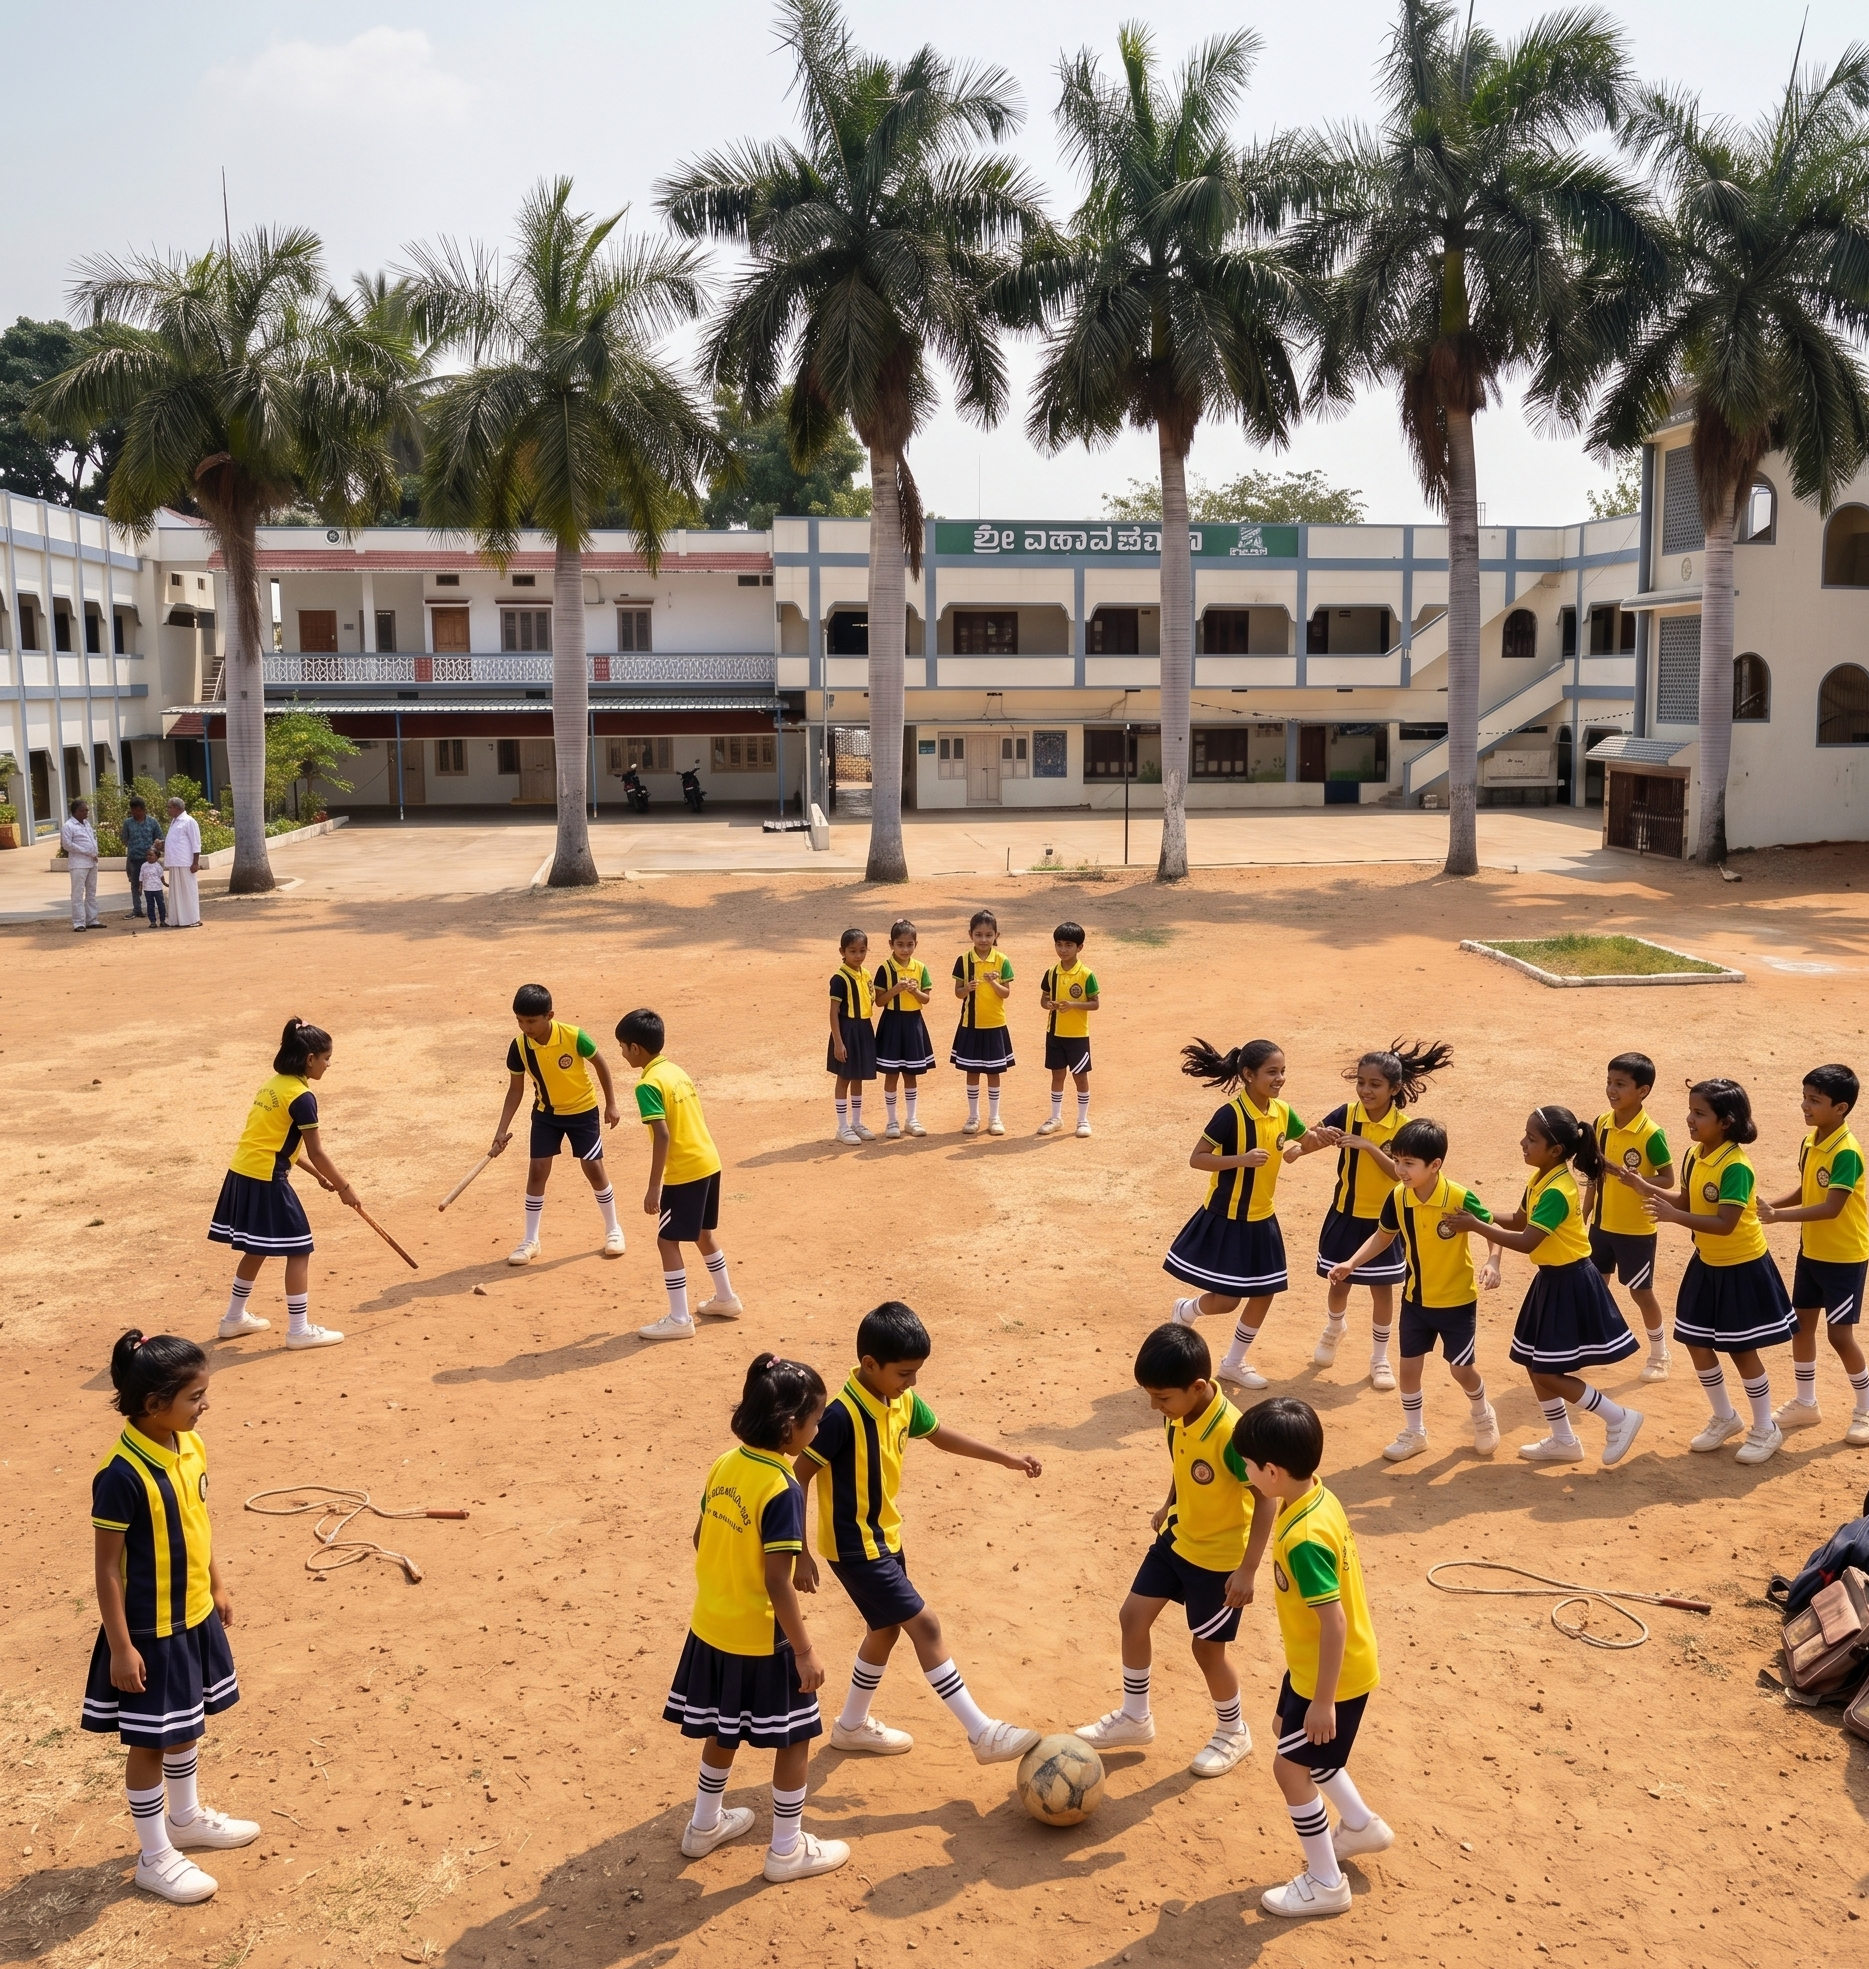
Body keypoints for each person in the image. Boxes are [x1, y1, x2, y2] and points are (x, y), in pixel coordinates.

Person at [793, 1299, 1042, 1765]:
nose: (912, 1382)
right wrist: (799, 1551)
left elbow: (939, 1434)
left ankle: (851, 1726)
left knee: (885, 1629)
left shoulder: (902, 1400)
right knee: (924, 1625)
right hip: (854, 1546)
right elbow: (799, 1476)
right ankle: (981, 1732)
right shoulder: (840, 1417)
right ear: (870, 1364)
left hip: (886, 1537)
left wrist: (1007, 1458)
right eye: (905, 1373)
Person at [84, 1330, 260, 1904]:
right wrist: (121, 1647)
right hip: (149, 1633)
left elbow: (196, 1519)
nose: (205, 1405)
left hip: (194, 1615)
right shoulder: (120, 1476)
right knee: (151, 1744)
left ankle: (184, 1819)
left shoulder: (190, 1444)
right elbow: (107, 1569)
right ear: (154, 1403)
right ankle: (154, 1856)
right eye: (195, 1396)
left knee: (185, 1725)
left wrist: (217, 1583)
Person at [662, 1353, 849, 1883]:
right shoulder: (783, 1487)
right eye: (816, 1421)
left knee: (722, 1727)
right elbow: (776, 1581)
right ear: (790, 1427)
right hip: (764, 1638)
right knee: (796, 1736)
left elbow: (700, 1537)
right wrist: (805, 1651)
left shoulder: (725, 1463)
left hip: (712, 1625)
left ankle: (703, 1825)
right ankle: (786, 1850)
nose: (818, 1431)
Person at [1076, 1322, 1271, 1778]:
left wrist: (1247, 1571)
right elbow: (1182, 1464)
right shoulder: (1178, 1415)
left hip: (1217, 1563)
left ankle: (1234, 1731)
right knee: (1132, 1617)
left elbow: (1265, 1500)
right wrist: (1170, 1503)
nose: (1154, 1406)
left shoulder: (1232, 1435)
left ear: (1198, 1387)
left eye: (1161, 1397)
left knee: (1207, 1651)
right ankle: (1135, 1717)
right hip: (1177, 1539)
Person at [1234, 1396, 1389, 1921]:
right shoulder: (1317, 1496)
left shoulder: (1303, 1539)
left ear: (1272, 1472)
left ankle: (1326, 1882)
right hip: (1310, 1667)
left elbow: (1333, 1622)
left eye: (1248, 1466)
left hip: (1333, 1678)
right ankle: (1360, 1823)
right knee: (1286, 1730)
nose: (1245, 1474)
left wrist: (1323, 1703)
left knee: (1289, 1770)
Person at [1619, 1077, 1796, 1464]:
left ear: (1726, 1122)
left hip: (1742, 1268)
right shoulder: (1694, 1155)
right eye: (1690, 1111)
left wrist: (1673, 1216)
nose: (1690, 1119)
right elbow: (1686, 1199)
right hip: (1707, 1263)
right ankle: (1725, 1417)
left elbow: (1725, 1222)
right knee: (1696, 1341)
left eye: (1699, 1113)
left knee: (1741, 1350)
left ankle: (1765, 1427)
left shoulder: (1736, 1166)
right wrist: (1646, 1187)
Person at [1461, 1107, 1644, 1465]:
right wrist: (1477, 1211)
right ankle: (1563, 1440)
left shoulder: (1558, 1190)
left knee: (1547, 1370)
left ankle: (1619, 1417)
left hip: (1571, 1283)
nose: (1523, 1143)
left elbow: (1527, 1240)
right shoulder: (1541, 1178)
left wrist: (1475, 1225)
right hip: (1552, 1279)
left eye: (1532, 1139)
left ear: (1556, 1150)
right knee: (1534, 1362)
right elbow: (1519, 1220)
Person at [1329, 1117, 1501, 1463]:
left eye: (1408, 1163)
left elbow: (1491, 1226)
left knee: (1461, 1371)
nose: (1400, 1170)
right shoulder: (1397, 1198)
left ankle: (1483, 1414)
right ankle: (1415, 1432)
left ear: (1434, 1165)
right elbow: (1383, 1236)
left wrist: (1493, 1261)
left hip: (1457, 1302)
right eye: (1397, 1160)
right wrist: (1352, 1263)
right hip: (1416, 1300)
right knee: (1408, 1370)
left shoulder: (1458, 1197)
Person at [1289, 1041, 1453, 1388]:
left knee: (1382, 1290)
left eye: (1375, 1084)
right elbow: (1312, 1138)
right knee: (1339, 1282)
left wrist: (1367, 1146)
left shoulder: (1404, 1128)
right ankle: (1334, 1328)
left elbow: (1398, 1174)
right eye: (1361, 1082)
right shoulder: (1347, 1114)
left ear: (1394, 1088)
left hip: (1386, 1223)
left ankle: (1379, 1358)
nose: (1365, 1090)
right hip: (1345, 1215)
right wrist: (1300, 1149)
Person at [1165, 1038, 1322, 1390]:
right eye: (1272, 1072)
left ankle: (1233, 1363)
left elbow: (1306, 1141)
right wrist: (1241, 1160)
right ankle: (1187, 1310)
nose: (1280, 1078)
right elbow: (1197, 1158)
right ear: (1249, 1075)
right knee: (1227, 1301)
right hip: (1229, 1218)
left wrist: (1320, 1139)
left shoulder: (1283, 1112)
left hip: (1263, 1218)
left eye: (1283, 1071)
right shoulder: (1230, 1115)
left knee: (1264, 1293)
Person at [209, 1018, 356, 1350]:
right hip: (266, 1178)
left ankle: (233, 1318)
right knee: (300, 1248)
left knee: (257, 1246)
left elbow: (275, 1141)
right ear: (310, 1059)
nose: (328, 1065)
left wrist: (318, 1175)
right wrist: (345, 1188)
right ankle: (299, 1331)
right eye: (326, 1058)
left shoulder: (272, 1085)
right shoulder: (302, 1096)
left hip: (242, 1171)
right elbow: (317, 1151)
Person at [1760, 1063, 1869, 1445]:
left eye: (1815, 1100)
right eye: (1804, 1097)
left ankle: (1865, 1410)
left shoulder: (1847, 1152)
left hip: (1844, 1257)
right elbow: (1807, 1190)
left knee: (1840, 1336)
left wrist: (1777, 1217)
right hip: (1812, 1253)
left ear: (1840, 1108)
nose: (1805, 1106)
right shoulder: (1811, 1142)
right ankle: (1806, 1402)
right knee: (1801, 1327)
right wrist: (1764, 1207)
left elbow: (1832, 1207)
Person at [616, 1007, 741, 1341]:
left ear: (636, 1048)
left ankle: (679, 1319)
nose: (622, 1053)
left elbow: (662, 1135)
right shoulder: (675, 1071)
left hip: (684, 1171)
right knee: (702, 1233)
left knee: (666, 1240)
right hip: (708, 1161)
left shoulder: (647, 1085)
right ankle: (726, 1298)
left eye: (622, 1047)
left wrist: (653, 1186)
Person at [489, 983, 625, 1267]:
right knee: (537, 1171)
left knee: (594, 1169)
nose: (525, 1027)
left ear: (549, 1015)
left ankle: (613, 1229)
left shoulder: (574, 1036)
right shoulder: (519, 1047)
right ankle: (530, 1240)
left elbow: (600, 1064)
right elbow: (515, 1089)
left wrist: (611, 1104)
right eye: (520, 1021)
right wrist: (501, 1130)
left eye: (531, 1021)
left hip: (583, 1111)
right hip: (546, 1115)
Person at [1585, 1053, 1675, 1381]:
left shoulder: (1651, 1133)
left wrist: (1638, 1181)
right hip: (1601, 1226)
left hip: (1636, 1230)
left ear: (1643, 1091)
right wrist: (1585, 1213)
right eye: (1609, 1082)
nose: (1612, 1089)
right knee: (1595, 1286)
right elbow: (1594, 1173)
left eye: (1621, 1084)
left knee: (1640, 1292)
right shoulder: (1600, 1124)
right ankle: (1589, 1346)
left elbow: (1668, 1179)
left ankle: (1659, 1353)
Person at [950, 909, 1014, 1135]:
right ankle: (973, 1116)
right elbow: (958, 993)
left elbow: (1006, 993)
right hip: (971, 1025)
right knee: (972, 1070)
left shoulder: (1002, 960)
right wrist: (967, 988)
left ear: (997, 935)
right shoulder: (963, 961)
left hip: (995, 1024)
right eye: (978, 935)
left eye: (988, 935)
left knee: (994, 1072)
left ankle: (994, 1118)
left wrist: (994, 983)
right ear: (970, 935)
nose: (983, 939)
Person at [873, 918, 935, 1138]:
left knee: (911, 1073)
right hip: (891, 1023)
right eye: (900, 944)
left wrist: (914, 991)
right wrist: (896, 989)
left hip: (913, 1024)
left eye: (909, 945)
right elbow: (879, 1001)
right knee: (891, 1074)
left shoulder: (920, 968)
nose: (905, 949)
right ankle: (891, 1121)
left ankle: (912, 1119)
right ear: (891, 944)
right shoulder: (885, 969)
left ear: (916, 944)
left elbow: (926, 999)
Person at [1037, 922, 1100, 1138]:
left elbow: (1095, 1003)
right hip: (1054, 1033)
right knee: (1057, 1075)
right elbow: (1043, 999)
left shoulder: (1086, 974)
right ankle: (1055, 1118)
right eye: (1059, 944)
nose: (1063, 950)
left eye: (1068, 945)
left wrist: (1073, 1005)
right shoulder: (1051, 973)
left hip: (1077, 1035)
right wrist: (1048, 1004)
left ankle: (1083, 1120)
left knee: (1080, 1077)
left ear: (1079, 947)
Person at [827, 928, 879, 1145]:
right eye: (852, 951)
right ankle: (842, 1127)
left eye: (862, 950)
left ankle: (856, 1122)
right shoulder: (839, 979)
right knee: (844, 1077)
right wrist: (838, 1042)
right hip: (847, 1030)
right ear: (842, 952)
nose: (858, 955)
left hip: (864, 1028)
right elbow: (833, 1012)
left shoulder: (865, 974)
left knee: (859, 1076)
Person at [163, 798, 203, 928]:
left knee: (188, 892)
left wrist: (195, 862)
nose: (168, 810)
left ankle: (192, 919)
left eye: (170, 807)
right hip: (175, 862)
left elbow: (196, 843)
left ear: (177, 808)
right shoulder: (174, 822)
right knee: (176, 894)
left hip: (186, 863)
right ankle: (177, 919)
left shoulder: (189, 821)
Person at [62, 796, 100, 931]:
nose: (87, 813)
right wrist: (86, 851)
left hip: (92, 862)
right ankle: (78, 922)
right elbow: (67, 844)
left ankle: (92, 919)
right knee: (78, 893)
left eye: (87, 810)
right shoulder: (68, 826)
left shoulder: (86, 824)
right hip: (78, 864)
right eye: (84, 810)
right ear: (76, 811)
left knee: (91, 892)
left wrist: (94, 852)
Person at [122, 796, 162, 922]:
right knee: (135, 884)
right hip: (134, 859)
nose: (135, 813)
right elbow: (124, 839)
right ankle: (137, 909)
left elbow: (159, 838)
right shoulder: (127, 823)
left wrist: (153, 851)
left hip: (150, 860)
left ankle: (157, 907)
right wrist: (134, 846)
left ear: (143, 809)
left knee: (153, 882)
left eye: (138, 810)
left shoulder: (153, 822)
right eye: (133, 810)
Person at [139, 849, 169, 929]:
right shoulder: (144, 865)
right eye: (147, 855)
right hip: (147, 889)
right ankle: (152, 922)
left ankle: (162, 921)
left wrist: (165, 884)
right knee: (150, 905)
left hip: (157, 888)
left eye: (151, 855)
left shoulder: (158, 866)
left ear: (156, 856)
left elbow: (161, 876)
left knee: (161, 904)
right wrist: (140, 888)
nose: (148, 857)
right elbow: (141, 877)